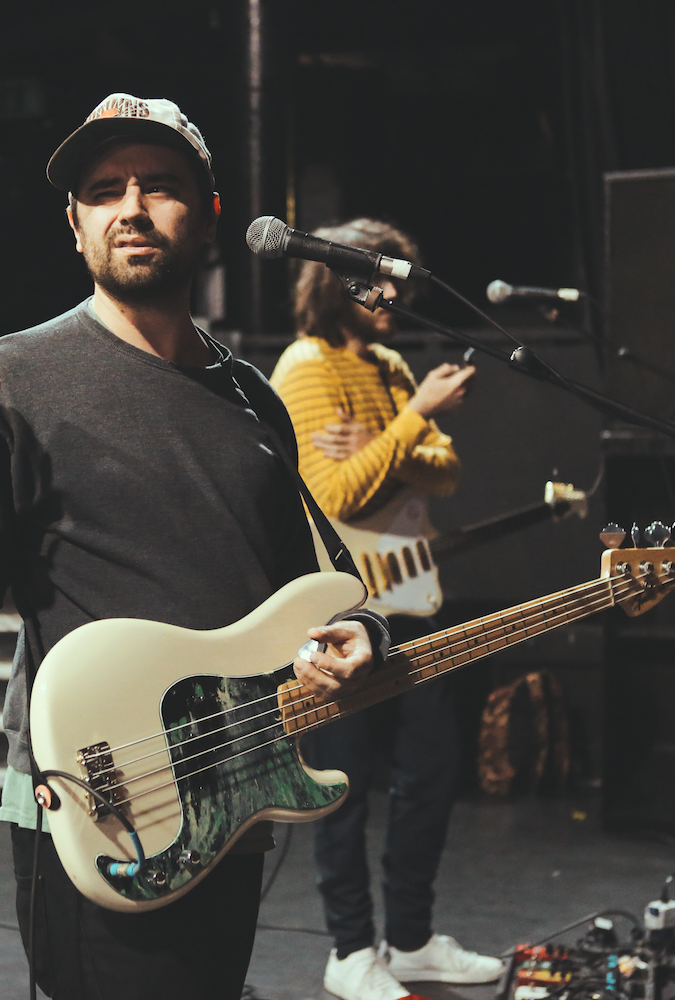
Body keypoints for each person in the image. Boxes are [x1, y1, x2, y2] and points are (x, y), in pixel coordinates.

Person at [0, 95, 389, 1000]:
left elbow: (299, 592)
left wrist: (352, 643)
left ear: (208, 215)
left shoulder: (249, 395)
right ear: (75, 222)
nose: (130, 206)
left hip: (229, 786)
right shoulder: (14, 378)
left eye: (159, 187)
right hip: (97, 804)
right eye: (104, 189)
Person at [269, 219, 504, 1000]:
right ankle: (348, 952)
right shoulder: (306, 366)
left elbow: (444, 472)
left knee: (430, 775)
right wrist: (415, 418)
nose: (397, 295)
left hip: (412, 595)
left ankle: (408, 940)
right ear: (338, 280)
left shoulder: (394, 363)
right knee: (344, 784)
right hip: (343, 609)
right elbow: (332, 495)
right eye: (379, 280)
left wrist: (378, 440)